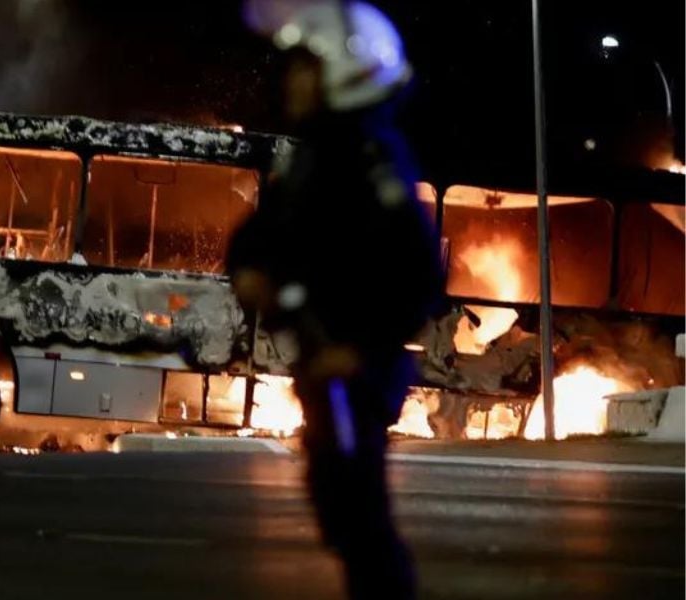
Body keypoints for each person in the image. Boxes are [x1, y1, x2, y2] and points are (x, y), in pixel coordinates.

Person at [230, 2, 444, 599]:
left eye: (305, 68)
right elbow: (262, 233)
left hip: (355, 374)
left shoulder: (370, 160)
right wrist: (248, 267)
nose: (290, 82)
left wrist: (357, 348)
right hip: (321, 367)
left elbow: (418, 271)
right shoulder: (316, 156)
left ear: (348, 74)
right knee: (339, 510)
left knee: (360, 520)